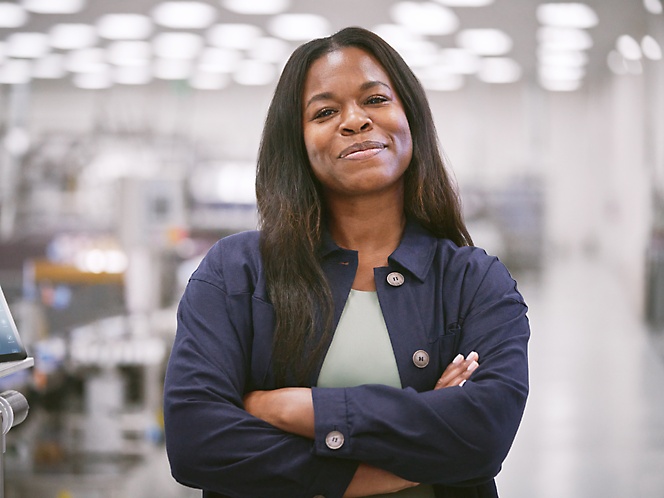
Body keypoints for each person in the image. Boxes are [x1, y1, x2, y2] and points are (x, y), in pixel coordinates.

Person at [163, 26, 530, 498]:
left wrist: (294, 409)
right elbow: (197, 441)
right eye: (325, 111)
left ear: (409, 117)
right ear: (297, 141)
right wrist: (385, 460)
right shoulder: (237, 273)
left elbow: (482, 435)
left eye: (375, 100)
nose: (354, 121)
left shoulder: (474, 282)